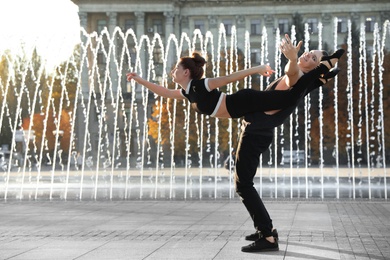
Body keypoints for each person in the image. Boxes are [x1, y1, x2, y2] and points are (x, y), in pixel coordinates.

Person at [237, 35, 344, 253]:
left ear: (314, 66)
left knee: (243, 185)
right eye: (310, 52)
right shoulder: (304, 81)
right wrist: (318, 75)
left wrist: (293, 60)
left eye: (312, 57)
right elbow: (305, 82)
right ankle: (266, 229)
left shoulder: (296, 77)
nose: (308, 54)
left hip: (255, 132)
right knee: (244, 183)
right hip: (259, 132)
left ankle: (267, 236)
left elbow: (290, 74)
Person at [126, 39, 343, 119]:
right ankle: (320, 78)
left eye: (175, 69)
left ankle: (321, 72)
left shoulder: (203, 85)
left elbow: (231, 77)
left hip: (243, 102)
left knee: (289, 98)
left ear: (186, 73)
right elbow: (163, 92)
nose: (172, 72)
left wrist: (256, 68)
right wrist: (139, 80)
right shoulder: (188, 92)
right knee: (290, 97)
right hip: (241, 108)